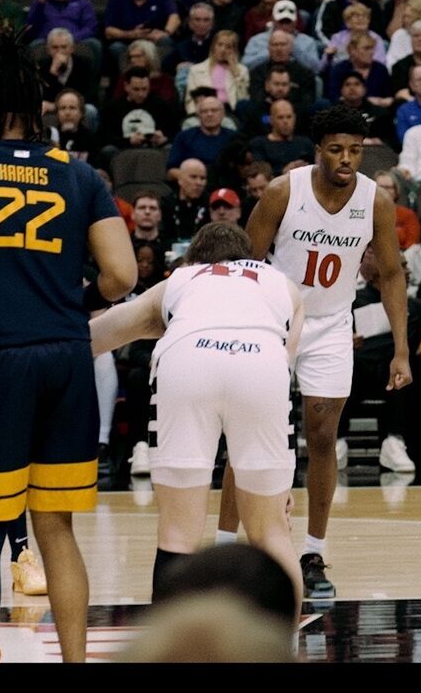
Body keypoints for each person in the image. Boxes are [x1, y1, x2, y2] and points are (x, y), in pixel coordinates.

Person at [0, 24, 137, 662]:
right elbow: (122, 277)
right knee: (56, 529)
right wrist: (66, 302)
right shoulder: (79, 175)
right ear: (40, 109)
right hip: (65, 358)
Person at [215, 106, 411, 600]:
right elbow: (246, 263)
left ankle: (313, 551)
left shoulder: (375, 201)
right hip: (273, 321)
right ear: (318, 149)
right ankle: (222, 549)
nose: (347, 159)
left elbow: (391, 274)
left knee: (322, 434)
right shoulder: (283, 192)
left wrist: (401, 350)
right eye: (337, 149)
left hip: (331, 325)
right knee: (248, 435)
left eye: (355, 151)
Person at [89, 223, 305, 608]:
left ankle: (174, 640)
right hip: (261, 367)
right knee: (272, 531)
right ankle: (284, 640)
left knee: (177, 533)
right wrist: (277, 483)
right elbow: (282, 368)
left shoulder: (181, 279)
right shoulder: (283, 284)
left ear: (193, 261)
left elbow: (95, 337)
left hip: (188, 362)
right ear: (249, 259)